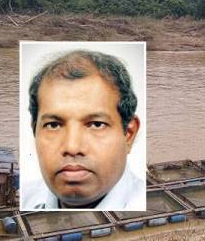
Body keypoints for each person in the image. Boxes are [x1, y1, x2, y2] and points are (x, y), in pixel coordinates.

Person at [22, 50, 144, 210]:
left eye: (96, 124)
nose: (72, 147)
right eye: (53, 125)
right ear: (34, 132)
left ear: (128, 134)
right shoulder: (25, 198)